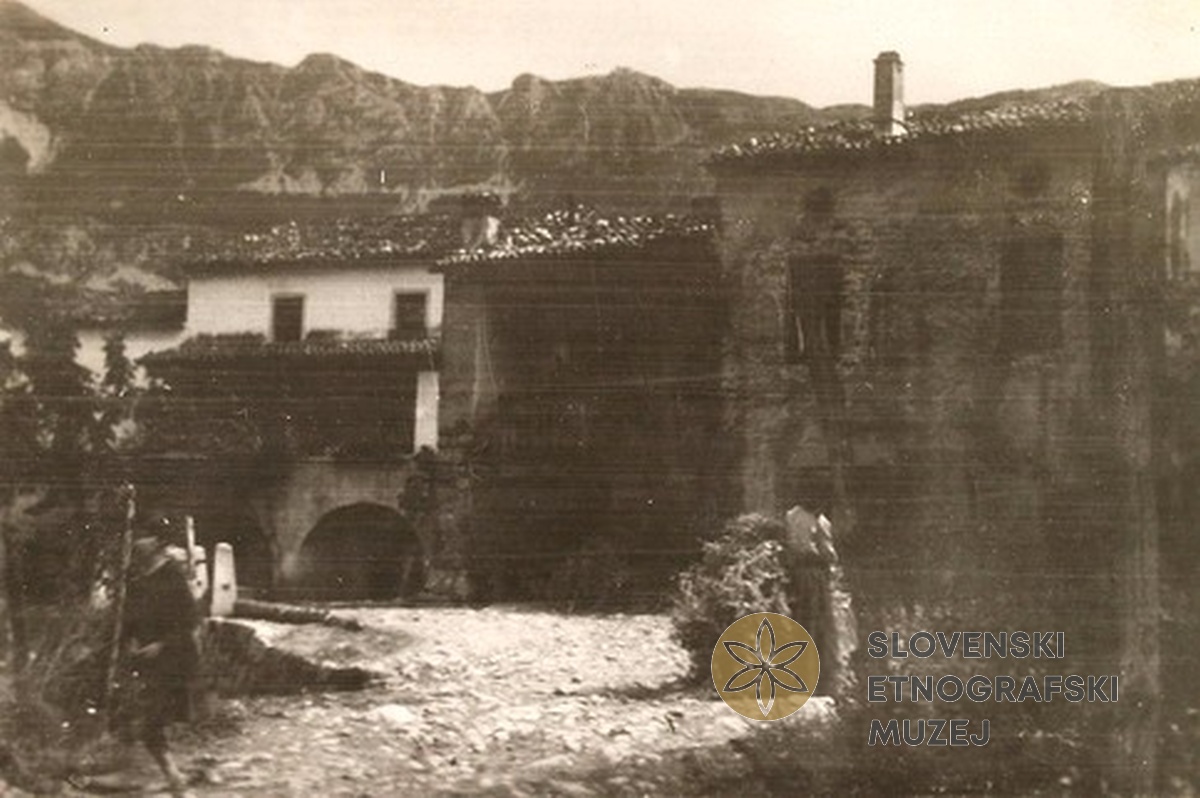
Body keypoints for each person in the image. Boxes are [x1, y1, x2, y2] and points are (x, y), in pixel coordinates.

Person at [121, 532, 201, 796]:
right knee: (146, 718)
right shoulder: (138, 577)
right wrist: (129, 640)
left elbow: (190, 620)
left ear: (157, 543)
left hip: (173, 658)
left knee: (150, 720)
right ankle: (171, 774)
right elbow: (130, 617)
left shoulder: (172, 576)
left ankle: (174, 777)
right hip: (145, 658)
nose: (138, 543)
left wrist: (162, 644)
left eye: (145, 537)